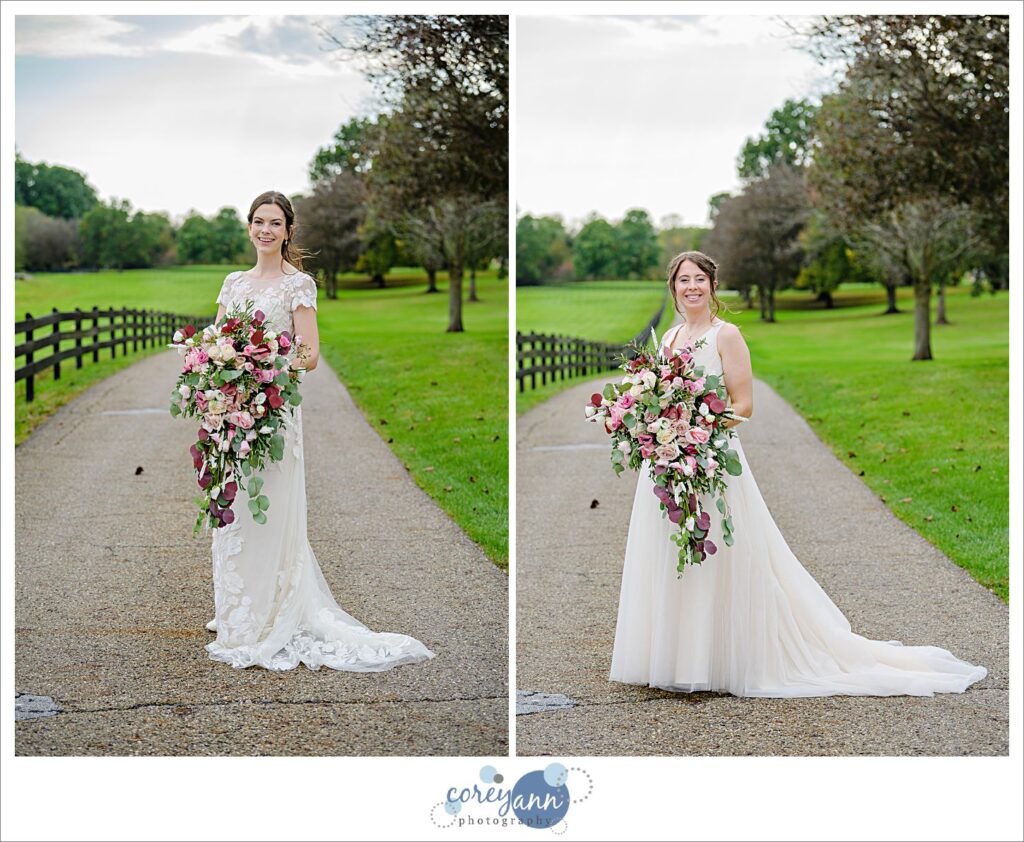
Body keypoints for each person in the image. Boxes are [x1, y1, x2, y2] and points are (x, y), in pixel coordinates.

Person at [608, 250, 986, 697]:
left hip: (711, 461)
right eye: (683, 280)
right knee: (673, 555)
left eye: (699, 280)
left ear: (712, 286)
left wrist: (694, 432)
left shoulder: (725, 336)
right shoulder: (668, 338)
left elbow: (744, 407)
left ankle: (725, 657)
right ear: (672, 287)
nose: (691, 287)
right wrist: (652, 428)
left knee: (720, 556)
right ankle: (676, 654)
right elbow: (657, 396)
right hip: (669, 465)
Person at [203, 190, 435, 672]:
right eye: (258, 221)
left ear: (288, 231)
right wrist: (217, 377)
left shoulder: (298, 285)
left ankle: (274, 608)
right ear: (249, 228)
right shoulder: (233, 283)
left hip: (275, 409)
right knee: (238, 503)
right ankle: (239, 604)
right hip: (231, 411)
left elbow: (310, 354)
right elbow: (217, 341)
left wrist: (263, 363)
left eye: (275, 223)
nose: (266, 230)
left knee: (272, 502)